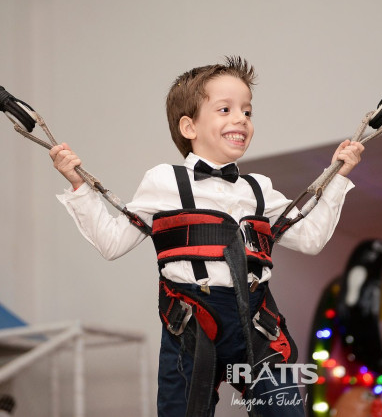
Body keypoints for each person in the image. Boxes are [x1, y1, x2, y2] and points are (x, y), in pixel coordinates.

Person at [49, 56, 364, 417]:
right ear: (189, 127)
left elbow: (310, 238)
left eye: (247, 111)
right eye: (225, 109)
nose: (241, 119)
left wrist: (338, 178)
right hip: (191, 323)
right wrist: (79, 186)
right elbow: (112, 242)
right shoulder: (164, 181)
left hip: (258, 323)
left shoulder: (258, 188)